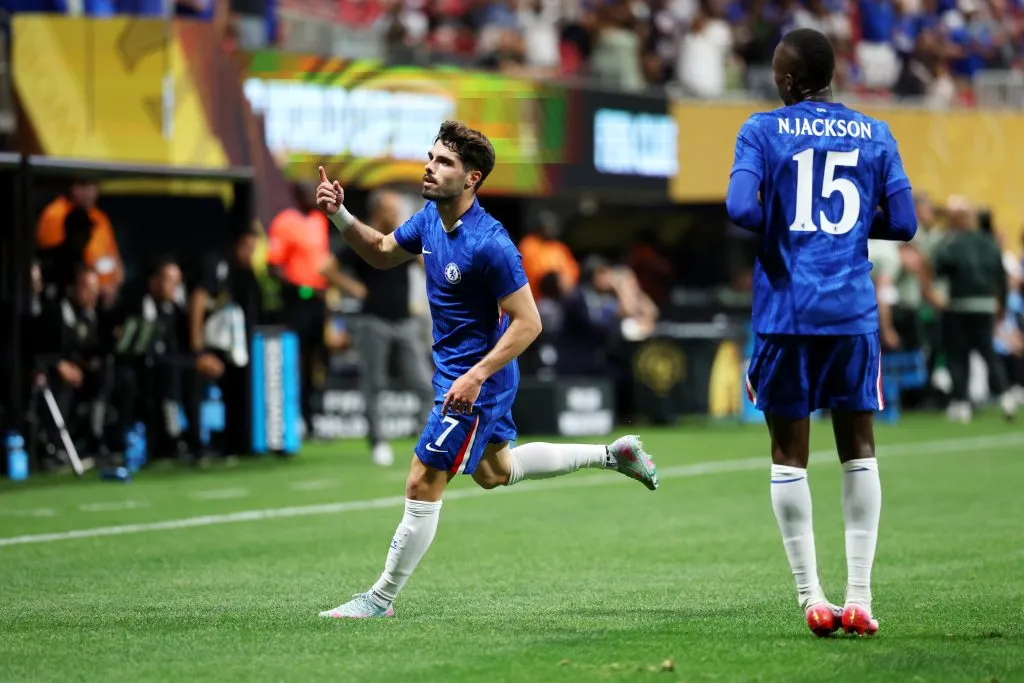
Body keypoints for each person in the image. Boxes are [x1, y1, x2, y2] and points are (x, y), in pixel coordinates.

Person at [315, 120, 660, 619]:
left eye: (444, 162)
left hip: (478, 380)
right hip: (459, 374)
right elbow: (384, 252)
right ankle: (614, 454)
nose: (430, 167)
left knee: (422, 480)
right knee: (495, 472)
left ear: (471, 178)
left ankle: (380, 599)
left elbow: (529, 322)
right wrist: (340, 214)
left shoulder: (491, 243)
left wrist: (476, 375)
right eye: (431, 157)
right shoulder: (429, 219)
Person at [726, 28, 917, 638]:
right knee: (859, 447)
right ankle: (859, 597)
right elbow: (907, 222)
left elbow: (739, 208)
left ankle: (813, 598)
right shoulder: (876, 132)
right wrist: (852, 226)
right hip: (851, 310)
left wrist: (782, 231)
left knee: (790, 454)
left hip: (786, 311)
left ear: (786, 80)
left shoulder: (761, 130)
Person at [338, 189, 434, 467]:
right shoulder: (362, 238)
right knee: (374, 384)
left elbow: (426, 267)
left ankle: (424, 436)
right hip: (373, 321)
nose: (397, 214)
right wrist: (355, 289)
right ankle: (378, 441)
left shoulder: (404, 238)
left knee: (424, 384)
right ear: (379, 211)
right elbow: (328, 269)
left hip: (404, 321)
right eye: (392, 209)